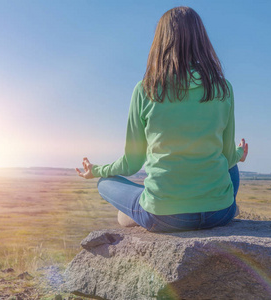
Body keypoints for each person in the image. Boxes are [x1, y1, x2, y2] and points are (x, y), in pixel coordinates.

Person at [75, 6, 249, 232]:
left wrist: (96, 170)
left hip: (164, 217)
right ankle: (214, 204)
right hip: (219, 213)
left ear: (160, 42)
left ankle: (137, 212)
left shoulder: (145, 89)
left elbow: (132, 163)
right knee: (231, 166)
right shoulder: (223, 88)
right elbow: (226, 156)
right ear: (202, 41)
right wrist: (239, 155)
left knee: (105, 183)